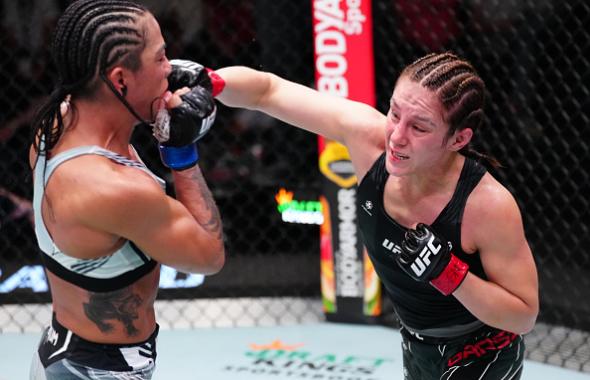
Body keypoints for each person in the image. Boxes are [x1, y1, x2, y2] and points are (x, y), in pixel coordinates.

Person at [204, 52, 538, 379]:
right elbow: (267, 91)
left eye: (419, 127)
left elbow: (523, 315)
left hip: (485, 349)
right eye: (395, 114)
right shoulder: (368, 138)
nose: (397, 136)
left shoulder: (487, 206)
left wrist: (450, 274)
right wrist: (208, 82)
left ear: (458, 139)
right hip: (416, 343)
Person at [28, 1, 225, 379]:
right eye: (162, 57)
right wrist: (182, 154)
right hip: (101, 370)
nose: (170, 68)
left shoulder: (57, 123)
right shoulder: (114, 189)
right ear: (120, 80)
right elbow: (208, 256)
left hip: (64, 347)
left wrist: (160, 86)